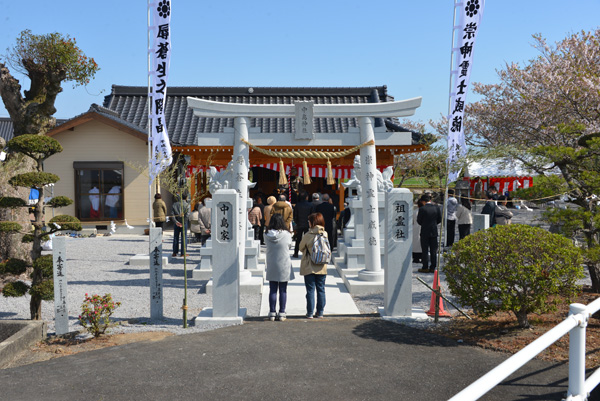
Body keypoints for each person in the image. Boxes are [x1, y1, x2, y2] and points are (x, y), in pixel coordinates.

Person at [264, 213, 295, 321]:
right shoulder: (287, 234)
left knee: (272, 289)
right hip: (284, 263)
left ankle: (272, 312)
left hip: (272, 263)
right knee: (283, 289)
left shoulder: (266, 234)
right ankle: (282, 312)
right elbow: (289, 245)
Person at [298, 212, 329, 319]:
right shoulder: (325, 234)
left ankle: (310, 313)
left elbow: (301, 248)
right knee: (321, 289)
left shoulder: (308, 235)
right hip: (321, 266)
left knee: (310, 290)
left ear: (312, 222)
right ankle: (320, 312)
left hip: (309, 265)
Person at [417, 194, 442, 273]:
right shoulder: (436, 208)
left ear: (423, 201)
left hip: (424, 231)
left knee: (424, 250)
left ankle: (425, 267)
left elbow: (419, 220)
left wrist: (424, 224)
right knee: (433, 250)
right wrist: (433, 224)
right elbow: (439, 219)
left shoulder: (422, 209)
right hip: (434, 231)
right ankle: (433, 267)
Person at [292, 191, 314, 258]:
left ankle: (296, 253)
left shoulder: (297, 205)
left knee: (298, 239)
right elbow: (312, 215)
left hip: (299, 224)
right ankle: (308, 253)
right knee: (308, 239)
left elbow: (295, 216)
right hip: (307, 224)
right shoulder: (310, 205)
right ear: (307, 197)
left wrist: (297, 222)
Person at [412, 197, 426, 263]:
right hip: (423, 228)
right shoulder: (425, 211)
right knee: (422, 243)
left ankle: (416, 258)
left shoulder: (414, 212)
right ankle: (423, 257)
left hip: (415, 228)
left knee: (415, 243)